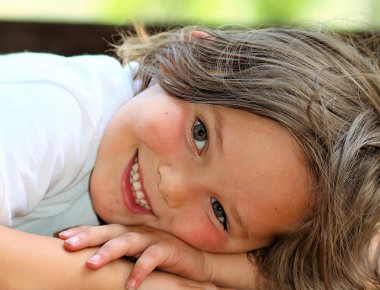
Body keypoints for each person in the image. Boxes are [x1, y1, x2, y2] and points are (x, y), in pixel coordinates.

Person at [0, 24, 378, 290]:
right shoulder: (57, 105)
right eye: (200, 136)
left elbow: (335, 278)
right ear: (190, 58)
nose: (173, 188)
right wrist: (125, 284)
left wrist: (207, 266)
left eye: (219, 211)